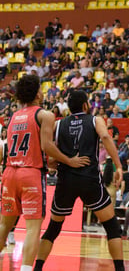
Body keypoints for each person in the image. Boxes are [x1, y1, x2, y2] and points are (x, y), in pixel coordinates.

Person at [0, 76, 89, 271]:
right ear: (36, 92)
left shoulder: (14, 116)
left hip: (8, 172)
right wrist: (69, 160)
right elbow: (46, 146)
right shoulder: (45, 115)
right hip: (30, 174)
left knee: (4, 225)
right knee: (33, 227)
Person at [34, 90, 124, 271]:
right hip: (89, 179)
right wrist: (118, 166)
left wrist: (61, 162)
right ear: (85, 105)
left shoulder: (58, 125)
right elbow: (106, 137)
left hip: (65, 180)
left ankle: (37, 268)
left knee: (53, 228)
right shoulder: (95, 119)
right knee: (112, 227)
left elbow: (49, 155)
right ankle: (120, 269)